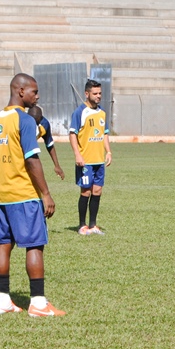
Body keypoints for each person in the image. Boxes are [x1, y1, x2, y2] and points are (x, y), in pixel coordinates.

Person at [0, 73, 63, 317]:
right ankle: (38, 303)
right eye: (34, 92)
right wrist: (46, 194)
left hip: (1, 196)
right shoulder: (25, 121)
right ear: (20, 91)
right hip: (24, 195)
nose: (36, 97)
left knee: (4, 245)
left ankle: (3, 300)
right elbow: (32, 159)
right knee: (35, 246)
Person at [69, 79, 112, 235]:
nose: (98, 96)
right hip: (85, 161)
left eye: (100, 93)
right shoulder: (80, 112)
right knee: (85, 192)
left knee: (97, 191)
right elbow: (72, 134)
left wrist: (108, 151)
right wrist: (77, 155)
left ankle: (93, 225)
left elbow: (104, 134)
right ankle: (82, 225)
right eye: (95, 93)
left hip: (99, 160)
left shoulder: (102, 113)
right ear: (87, 94)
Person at [27, 105, 66, 180]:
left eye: (37, 122)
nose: (34, 125)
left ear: (40, 118)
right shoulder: (21, 122)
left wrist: (57, 166)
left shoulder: (44, 124)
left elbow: (49, 145)